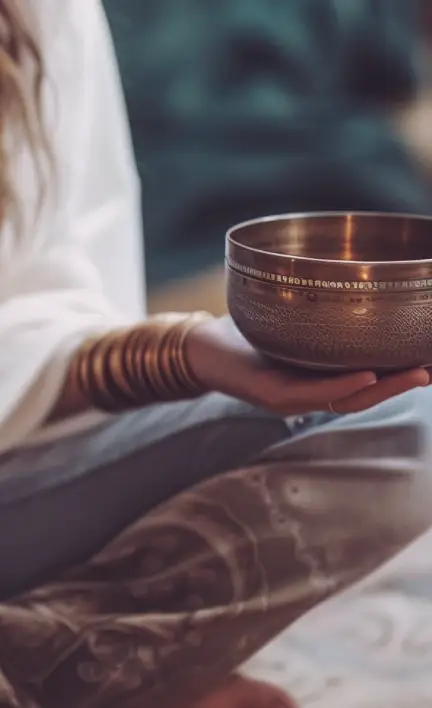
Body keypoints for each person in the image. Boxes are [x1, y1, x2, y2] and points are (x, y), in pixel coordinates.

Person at [0, 2, 431, 708]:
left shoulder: (43, 15)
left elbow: (45, 293)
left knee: (411, 423)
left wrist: (186, 351)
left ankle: (57, 663)